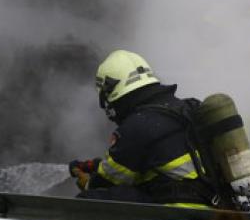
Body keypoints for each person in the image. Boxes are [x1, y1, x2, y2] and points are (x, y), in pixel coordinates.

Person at [68, 49, 215, 208]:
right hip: (215, 205)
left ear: (111, 90)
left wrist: (88, 182)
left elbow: (110, 179)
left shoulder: (136, 125)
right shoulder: (184, 107)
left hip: (180, 211)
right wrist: (94, 165)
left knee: (88, 201)